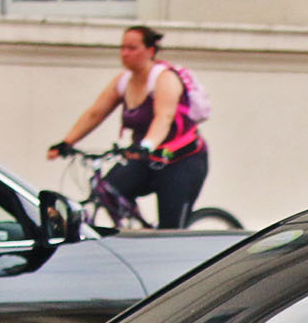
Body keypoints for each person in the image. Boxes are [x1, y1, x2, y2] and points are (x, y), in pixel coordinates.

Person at [47, 25, 209, 228]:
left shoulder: (164, 78)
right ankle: (136, 231)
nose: (125, 53)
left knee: (171, 228)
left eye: (132, 48)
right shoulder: (124, 80)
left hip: (181, 160)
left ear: (150, 51)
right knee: (107, 189)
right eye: (123, 48)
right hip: (146, 158)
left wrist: (146, 144)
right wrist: (66, 142)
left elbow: (164, 118)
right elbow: (96, 113)